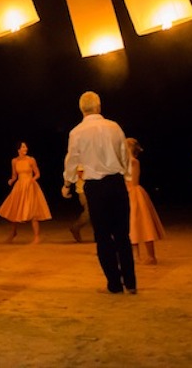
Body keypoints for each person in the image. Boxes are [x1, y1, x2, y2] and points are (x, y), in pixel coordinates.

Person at [63, 91, 136, 295]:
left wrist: (67, 183)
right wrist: (127, 178)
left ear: (81, 109)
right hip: (116, 182)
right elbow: (124, 155)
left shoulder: (76, 132)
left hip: (95, 186)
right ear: (99, 107)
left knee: (103, 236)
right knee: (122, 235)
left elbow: (71, 160)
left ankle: (114, 284)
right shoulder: (114, 127)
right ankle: (130, 282)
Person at [0, 142, 52, 244]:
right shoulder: (14, 161)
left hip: (30, 186)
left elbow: (37, 173)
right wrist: (11, 180)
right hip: (19, 186)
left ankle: (36, 237)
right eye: (23, 147)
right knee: (14, 209)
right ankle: (13, 233)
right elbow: (14, 175)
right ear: (18, 149)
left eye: (25, 146)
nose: (25, 148)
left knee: (33, 210)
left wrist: (32, 180)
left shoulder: (31, 160)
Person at [126, 138, 165, 264]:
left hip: (134, 194)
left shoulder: (133, 161)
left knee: (143, 224)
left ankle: (151, 256)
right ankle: (135, 255)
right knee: (131, 226)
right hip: (127, 193)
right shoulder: (127, 161)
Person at [62, 166, 91, 243]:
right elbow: (80, 174)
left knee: (97, 212)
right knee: (89, 212)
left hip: (93, 189)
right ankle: (76, 227)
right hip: (84, 190)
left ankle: (99, 235)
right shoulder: (81, 159)